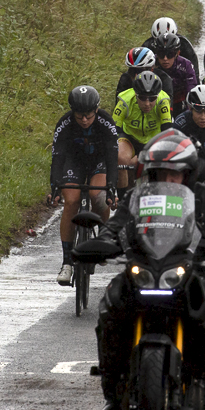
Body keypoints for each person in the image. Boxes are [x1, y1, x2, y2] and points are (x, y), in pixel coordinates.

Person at [93, 130, 205, 410]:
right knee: (110, 305)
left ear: (188, 175)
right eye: (160, 173)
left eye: (174, 174)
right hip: (147, 266)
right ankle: (112, 388)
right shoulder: (136, 199)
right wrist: (104, 242)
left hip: (201, 267)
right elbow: (116, 225)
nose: (167, 179)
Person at [49, 86, 119, 285]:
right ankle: (67, 263)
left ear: (96, 110)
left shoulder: (106, 123)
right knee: (71, 201)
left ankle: (102, 239)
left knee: (99, 196)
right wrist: (54, 186)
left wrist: (112, 188)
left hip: (100, 162)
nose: (84, 121)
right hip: (74, 162)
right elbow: (58, 157)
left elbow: (112, 158)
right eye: (79, 117)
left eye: (88, 116)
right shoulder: (64, 123)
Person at [112, 70, 173, 192]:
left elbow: (167, 131)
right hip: (129, 136)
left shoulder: (162, 100)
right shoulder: (125, 100)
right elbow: (113, 130)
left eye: (152, 99)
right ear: (135, 94)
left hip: (153, 138)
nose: (147, 103)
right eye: (142, 98)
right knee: (121, 158)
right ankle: (122, 198)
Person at [150, 32, 197, 112]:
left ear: (177, 53)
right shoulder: (151, 64)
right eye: (161, 54)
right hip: (156, 102)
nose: (165, 58)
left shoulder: (186, 65)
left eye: (170, 54)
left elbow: (191, 91)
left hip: (179, 103)